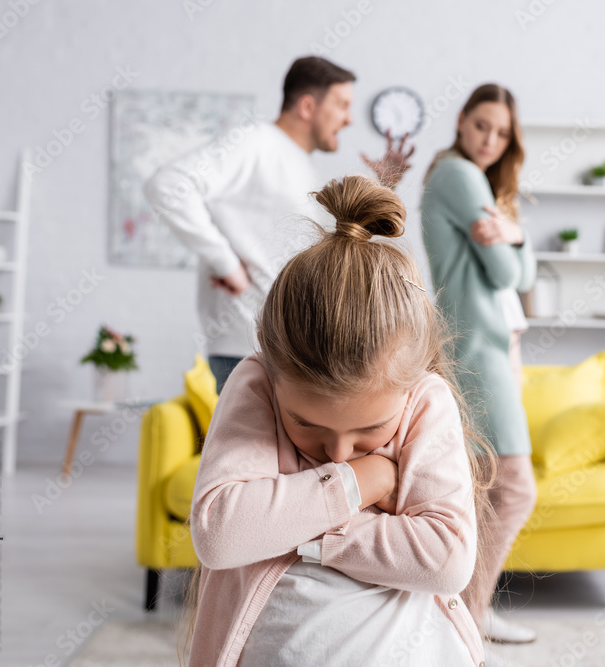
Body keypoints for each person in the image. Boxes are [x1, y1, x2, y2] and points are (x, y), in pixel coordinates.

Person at [182, 176, 492, 667]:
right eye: (307, 425)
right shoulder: (257, 383)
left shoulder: (424, 400)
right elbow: (220, 533)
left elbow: (446, 558)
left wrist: (293, 531)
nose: (338, 453)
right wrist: (360, 482)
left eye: (369, 432)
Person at [143, 56, 415, 393]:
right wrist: (224, 262)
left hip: (286, 345)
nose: (348, 119)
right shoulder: (255, 142)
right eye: (342, 105)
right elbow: (169, 185)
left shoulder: (298, 162)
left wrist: (383, 184)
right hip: (248, 348)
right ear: (306, 106)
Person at [420, 83, 538, 644]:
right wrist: (516, 244)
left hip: (489, 346)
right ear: (462, 120)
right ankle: (471, 613)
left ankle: (460, 612)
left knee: (482, 486)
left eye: (502, 132)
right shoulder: (459, 176)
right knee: (513, 485)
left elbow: (525, 269)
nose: (490, 139)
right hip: (477, 348)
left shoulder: (475, 181)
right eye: (482, 125)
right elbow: (509, 275)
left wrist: (514, 234)